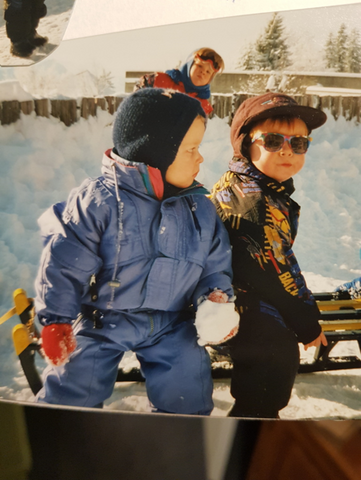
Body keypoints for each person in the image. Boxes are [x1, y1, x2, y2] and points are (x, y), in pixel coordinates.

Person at [33, 88, 238, 414]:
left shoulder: (199, 207)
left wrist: (215, 299)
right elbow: (64, 263)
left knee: (187, 376)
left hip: (171, 321)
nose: (200, 158)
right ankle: (59, 425)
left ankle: (185, 433)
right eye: (191, 150)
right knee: (76, 374)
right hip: (102, 318)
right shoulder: (100, 201)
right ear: (155, 152)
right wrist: (55, 320)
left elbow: (214, 265)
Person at [209, 92, 328, 418]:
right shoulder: (256, 203)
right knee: (274, 354)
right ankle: (254, 425)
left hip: (241, 291)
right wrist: (306, 322)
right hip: (231, 306)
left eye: (299, 143)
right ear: (247, 144)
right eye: (274, 140)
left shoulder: (248, 183)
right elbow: (280, 271)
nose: (287, 150)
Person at [134, 47, 224, 115]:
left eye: (208, 72)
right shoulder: (159, 81)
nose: (203, 72)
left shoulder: (202, 106)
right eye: (200, 66)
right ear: (189, 65)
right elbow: (136, 98)